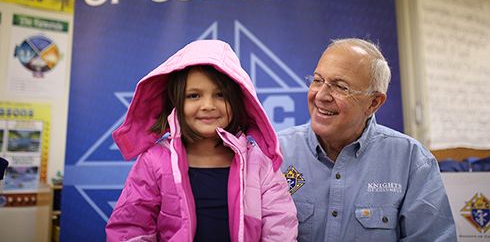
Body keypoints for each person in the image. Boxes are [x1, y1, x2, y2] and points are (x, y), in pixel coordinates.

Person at [106, 40, 298, 242]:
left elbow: (279, 230)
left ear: (238, 101)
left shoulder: (259, 164)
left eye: (220, 94)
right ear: (175, 101)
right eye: (194, 95)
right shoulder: (154, 161)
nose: (208, 105)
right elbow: (131, 229)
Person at [278, 38, 457, 242]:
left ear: (373, 103)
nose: (321, 95)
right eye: (318, 80)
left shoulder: (412, 162)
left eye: (339, 87)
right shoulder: (275, 153)